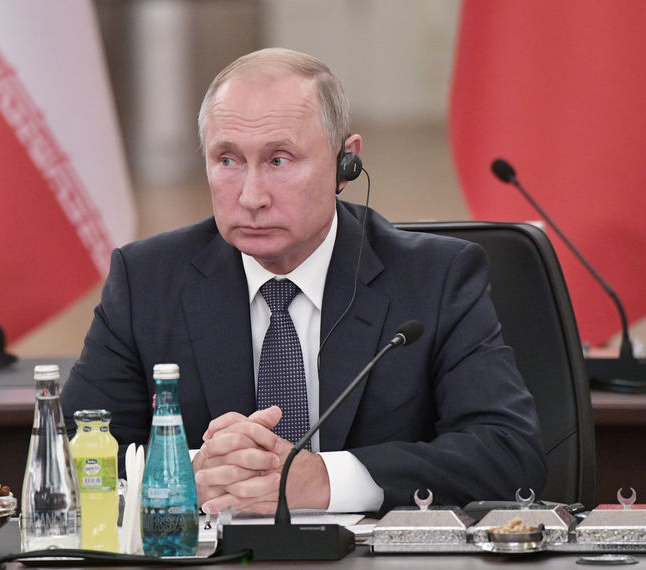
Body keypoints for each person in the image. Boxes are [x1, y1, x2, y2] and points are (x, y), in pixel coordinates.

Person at [60, 47, 546, 517]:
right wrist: (186, 473)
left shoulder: (436, 278)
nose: (250, 197)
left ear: (344, 163)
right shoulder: (148, 280)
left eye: (279, 160)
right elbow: (68, 457)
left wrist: (324, 479)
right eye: (227, 160)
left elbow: (508, 453)